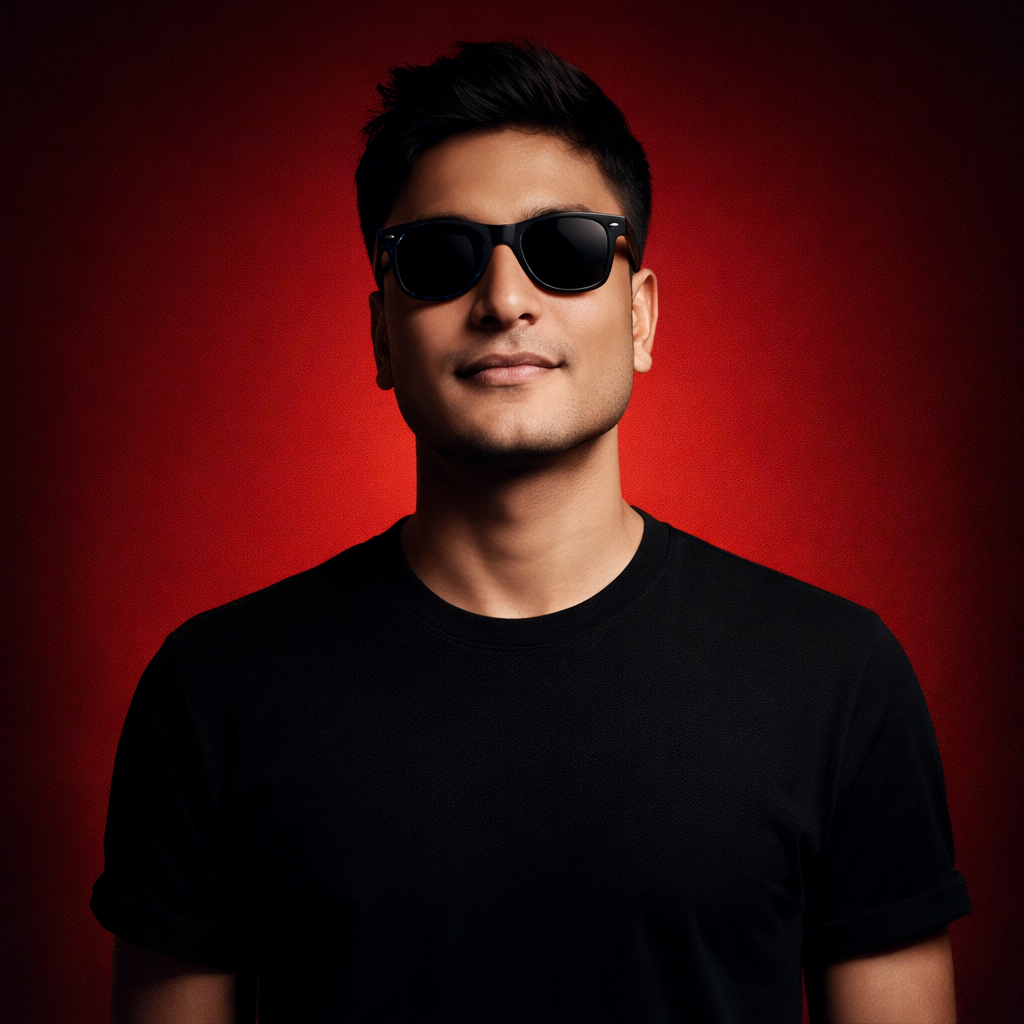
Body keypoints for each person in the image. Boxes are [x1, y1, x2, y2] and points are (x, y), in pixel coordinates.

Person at [91, 41, 971, 1023]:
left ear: (639, 317)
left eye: (567, 248)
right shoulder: (213, 691)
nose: (505, 300)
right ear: (382, 335)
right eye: (440, 257)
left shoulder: (837, 678)